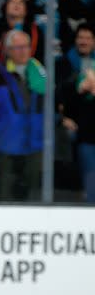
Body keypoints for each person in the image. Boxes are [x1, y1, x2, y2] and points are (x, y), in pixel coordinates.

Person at [0, 30, 45, 201]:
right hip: (4, 149)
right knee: (2, 197)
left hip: (34, 147)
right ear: (7, 50)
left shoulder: (42, 75)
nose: (23, 51)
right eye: (18, 47)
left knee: (31, 200)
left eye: (26, 47)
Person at [60, 24, 95, 201]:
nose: (84, 41)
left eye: (88, 38)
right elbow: (60, 95)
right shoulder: (65, 63)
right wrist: (80, 89)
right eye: (81, 37)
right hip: (83, 133)